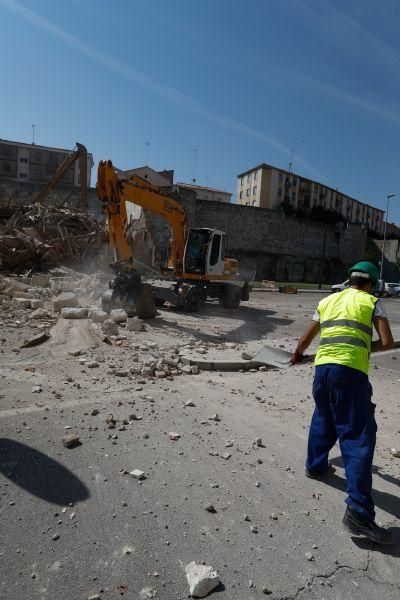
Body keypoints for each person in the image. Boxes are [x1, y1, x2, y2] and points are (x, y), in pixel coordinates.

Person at [291, 261, 394, 544]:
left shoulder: (327, 300)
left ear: (349, 280)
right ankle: (358, 513)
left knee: (323, 417)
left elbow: (305, 339)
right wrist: (362, 346)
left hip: (322, 370)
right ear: (372, 284)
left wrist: (297, 355)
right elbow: (387, 342)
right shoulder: (372, 302)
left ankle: (315, 465)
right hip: (349, 373)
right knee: (358, 436)